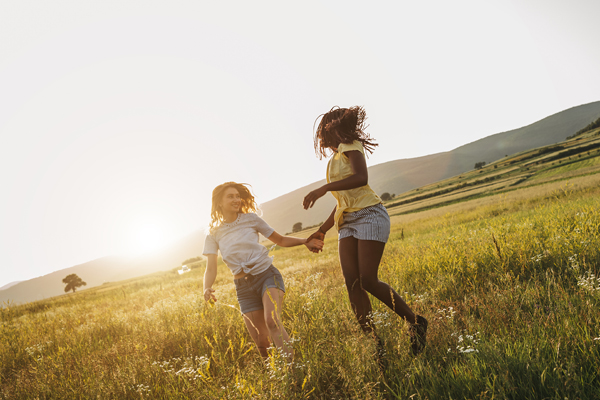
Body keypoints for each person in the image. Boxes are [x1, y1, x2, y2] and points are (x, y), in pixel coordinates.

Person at [303, 106, 428, 357]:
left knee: (368, 279)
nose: (321, 140)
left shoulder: (351, 146)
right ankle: (375, 344)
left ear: (332, 129)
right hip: (347, 220)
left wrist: (324, 189)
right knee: (353, 284)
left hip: (370, 214)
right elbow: (344, 202)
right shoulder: (335, 159)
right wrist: (322, 230)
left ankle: (416, 323)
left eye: (322, 134)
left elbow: (361, 178)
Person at [203, 182, 323, 362]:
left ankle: (293, 372)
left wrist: (305, 241)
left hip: (266, 275)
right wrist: (207, 287)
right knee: (261, 340)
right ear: (219, 202)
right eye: (230, 196)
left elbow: (280, 239)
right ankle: (276, 378)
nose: (236, 199)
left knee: (272, 321)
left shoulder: (251, 219)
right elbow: (211, 267)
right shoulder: (213, 233)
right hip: (243, 287)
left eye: (237, 196)